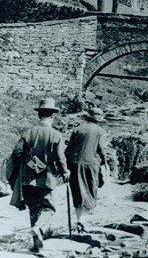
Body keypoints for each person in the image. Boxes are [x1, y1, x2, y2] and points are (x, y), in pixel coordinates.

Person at [7, 98, 70, 252]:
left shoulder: (28, 133)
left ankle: (36, 246)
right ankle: (39, 228)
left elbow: (17, 153)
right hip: (46, 178)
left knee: (34, 209)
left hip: (27, 178)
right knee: (49, 208)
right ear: (52, 116)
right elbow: (59, 157)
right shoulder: (56, 135)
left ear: (39, 115)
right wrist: (65, 171)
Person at [65, 107, 107, 232]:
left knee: (77, 192)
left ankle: (79, 221)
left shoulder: (77, 129)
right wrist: (105, 162)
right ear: (97, 119)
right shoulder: (100, 131)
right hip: (90, 164)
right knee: (90, 192)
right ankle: (81, 222)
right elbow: (101, 149)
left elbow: (68, 149)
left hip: (73, 163)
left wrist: (65, 166)